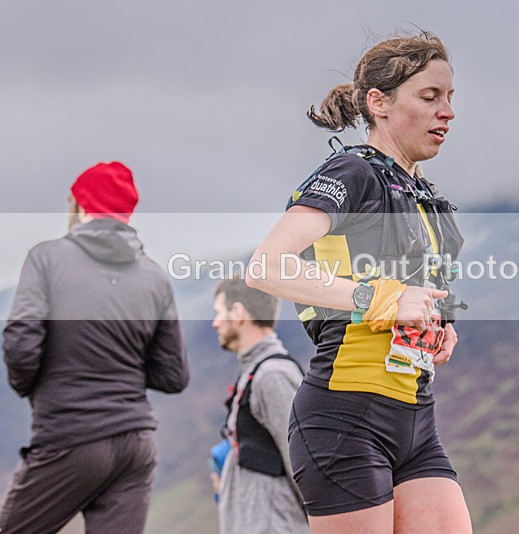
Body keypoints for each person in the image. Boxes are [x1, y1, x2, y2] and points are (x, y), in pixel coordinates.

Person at [246, 31, 472, 533]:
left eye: (451, 98)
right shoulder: (352, 172)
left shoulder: (426, 195)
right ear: (379, 103)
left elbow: (410, 289)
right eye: (430, 97)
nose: (448, 112)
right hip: (344, 417)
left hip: (416, 417)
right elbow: (267, 266)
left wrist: (439, 324)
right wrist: (383, 299)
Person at [1, 162, 189, 534]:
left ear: (81, 205)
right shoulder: (154, 276)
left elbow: (21, 345)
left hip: (71, 435)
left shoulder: (47, 258)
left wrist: (32, 387)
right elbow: (173, 376)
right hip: (136, 446)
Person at [211, 278, 309, 534]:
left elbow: (300, 462)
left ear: (239, 312)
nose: (216, 322)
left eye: (220, 312)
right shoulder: (256, 371)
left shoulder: (273, 375)